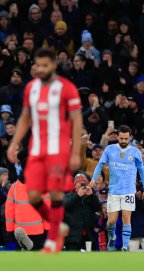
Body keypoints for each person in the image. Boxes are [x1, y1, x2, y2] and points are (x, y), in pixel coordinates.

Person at [7, 48, 83, 253]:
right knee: (33, 195)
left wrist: (75, 151)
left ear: (53, 66)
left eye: (45, 65)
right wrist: (14, 143)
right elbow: (24, 117)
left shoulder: (67, 89)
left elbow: (76, 121)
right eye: (38, 65)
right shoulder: (31, 88)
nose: (41, 69)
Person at [91, 125, 144, 252]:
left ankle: (124, 246)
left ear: (130, 138)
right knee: (111, 221)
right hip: (114, 191)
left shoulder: (135, 152)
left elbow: (142, 171)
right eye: (121, 138)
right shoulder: (109, 149)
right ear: (117, 137)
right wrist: (93, 179)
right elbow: (100, 164)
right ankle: (112, 237)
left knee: (126, 218)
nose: (123, 141)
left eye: (126, 139)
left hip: (128, 191)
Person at [63, 173, 101, 251]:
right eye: (79, 183)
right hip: (72, 237)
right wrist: (77, 196)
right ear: (74, 185)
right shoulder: (68, 196)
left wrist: (91, 195)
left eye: (84, 183)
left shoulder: (90, 197)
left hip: (88, 236)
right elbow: (65, 206)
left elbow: (97, 208)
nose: (82, 185)